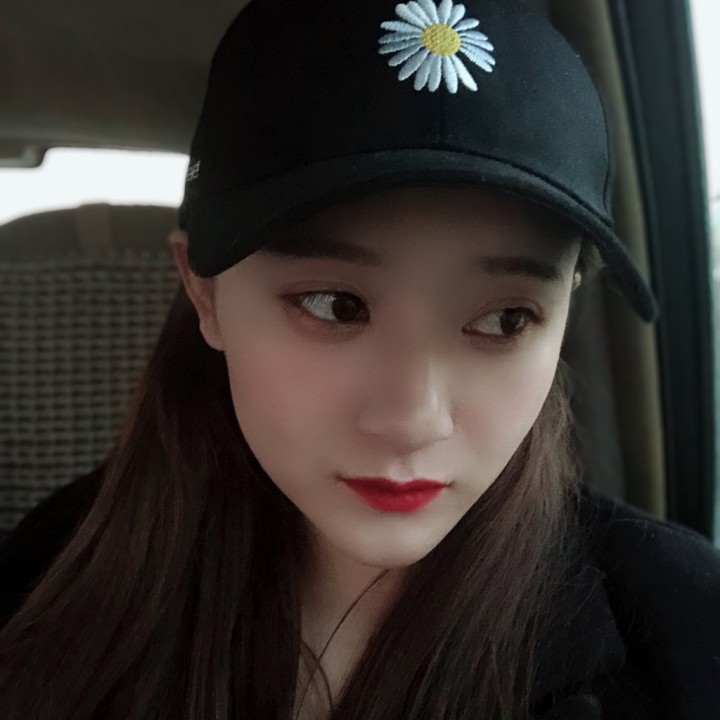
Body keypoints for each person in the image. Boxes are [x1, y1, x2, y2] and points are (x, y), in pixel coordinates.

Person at [0, 1, 719, 718]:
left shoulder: (691, 633)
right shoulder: (49, 576)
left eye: (505, 320)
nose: (413, 419)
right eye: (334, 305)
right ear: (204, 293)